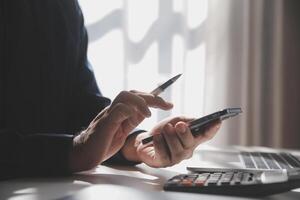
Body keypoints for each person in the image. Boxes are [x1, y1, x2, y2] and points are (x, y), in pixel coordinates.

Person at [0, 1, 221, 179]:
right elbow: (82, 144)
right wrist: (73, 152)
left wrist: (136, 143)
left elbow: (84, 110)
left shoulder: (65, 8)